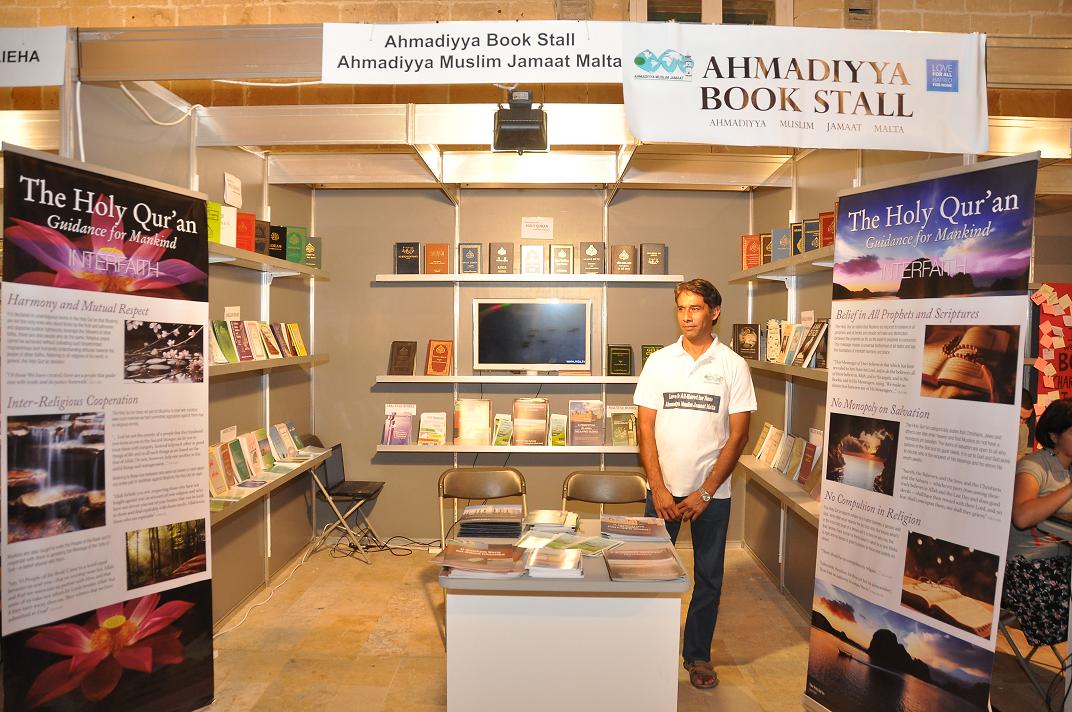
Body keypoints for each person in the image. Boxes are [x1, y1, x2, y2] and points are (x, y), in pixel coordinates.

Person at [633, 278, 756, 689]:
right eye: (682, 308)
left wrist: (705, 491)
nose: (687, 316)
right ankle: (649, 648)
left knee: (708, 578)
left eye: (696, 308)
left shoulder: (732, 366)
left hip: (712, 495)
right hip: (663, 491)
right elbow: (645, 429)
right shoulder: (659, 362)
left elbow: (738, 436)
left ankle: (697, 655)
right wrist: (660, 487)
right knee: (651, 576)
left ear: (714, 312)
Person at [1005, 397, 1072, 647]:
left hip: (1062, 563)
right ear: (1054, 436)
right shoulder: (1034, 465)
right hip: (1032, 570)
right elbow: (1022, 517)